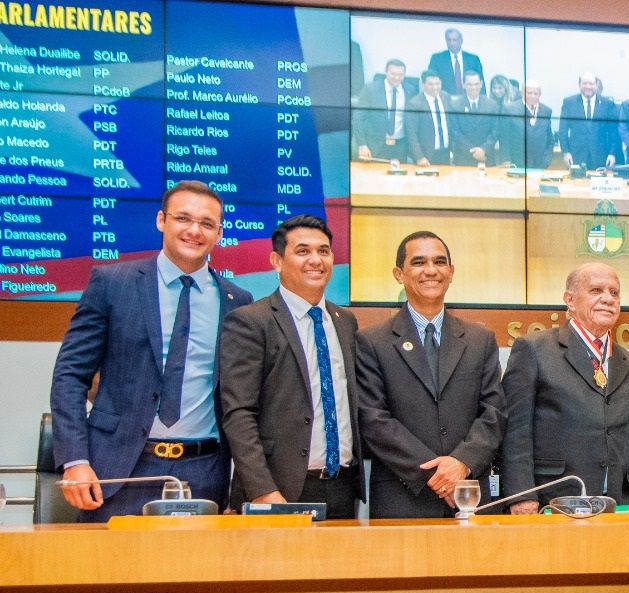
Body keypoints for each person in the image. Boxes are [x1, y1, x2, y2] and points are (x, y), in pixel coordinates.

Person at [50, 180, 253, 520]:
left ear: (219, 233)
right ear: (162, 220)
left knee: (196, 574)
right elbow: (70, 375)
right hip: (116, 471)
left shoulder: (237, 302)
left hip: (204, 472)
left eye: (206, 224)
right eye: (183, 218)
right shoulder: (112, 283)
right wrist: (75, 460)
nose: (194, 230)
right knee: (111, 572)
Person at [219, 215, 363, 518]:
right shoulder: (251, 321)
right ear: (276, 260)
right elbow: (238, 413)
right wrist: (262, 490)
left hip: (342, 487)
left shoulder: (344, 322)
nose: (316, 260)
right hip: (279, 489)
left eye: (324, 251)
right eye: (303, 251)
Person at [356, 231, 505, 518]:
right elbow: (373, 418)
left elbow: (494, 412)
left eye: (439, 262)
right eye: (419, 262)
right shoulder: (372, 342)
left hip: (470, 494)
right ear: (399, 274)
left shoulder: (480, 339)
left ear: (451, 272)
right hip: (403, 497)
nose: (431, 270)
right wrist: (438, 475)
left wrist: (461, 462)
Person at [502, 263, 629, 512]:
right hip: (553, 501)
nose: (607, 299)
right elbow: (515, 432)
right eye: (596, 290)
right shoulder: (534, 349)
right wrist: (521, 495)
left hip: (619, 507)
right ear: (569, 300)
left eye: (614, 293)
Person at [559, 72, 618, 170]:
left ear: (596, 85)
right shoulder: (569, 103)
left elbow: (613, 132)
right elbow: (563, 130)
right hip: (576, 156)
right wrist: (565, 152)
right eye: (585, 83)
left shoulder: (608, 104)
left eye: (591, 84)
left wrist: (612, 153)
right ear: (579, 85)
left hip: (601, 156)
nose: (588, 86)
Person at [354, 59, 411, 161]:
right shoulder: (370, 89)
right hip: (375, 146)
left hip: (401, 147)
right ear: (385, 72)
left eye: (400, 75)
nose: (397, 78)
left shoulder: (410, 90)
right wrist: (362, 144)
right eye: (393, 74)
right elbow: (358, 119)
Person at [451, 70, 499, 166]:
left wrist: (483, 150)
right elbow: (455, 132)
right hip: (463, 159)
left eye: (476, 84)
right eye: (470, 84)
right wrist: (473, 152)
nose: (474, 87)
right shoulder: (454, 105)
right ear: (463, 85)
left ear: (481, 84)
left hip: (486, 158)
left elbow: (495, 131)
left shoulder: (492, 105)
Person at [406, 71, 453, 166]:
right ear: (423, 84)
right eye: (431, 84)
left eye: (437, 84)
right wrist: (419, 157)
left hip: (445, 152)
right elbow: (411, 133)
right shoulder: (414, 104)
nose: (435, 87)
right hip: (426, 154)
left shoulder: (446, 97)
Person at [426, 27, 484, 98]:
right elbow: (431, 80)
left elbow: (481, 81)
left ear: (461, 41)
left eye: (454, 40)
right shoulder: (437, 58)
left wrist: (483, 100)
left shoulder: (473, 59)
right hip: (446, 99)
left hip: (469, 99)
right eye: (449, 40)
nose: (452, 43)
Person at [508, 79, 554, 169]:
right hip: (518, 162)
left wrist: (547, 158)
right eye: (529, 93)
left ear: (540, 94)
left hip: (540, 163)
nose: (532, 96)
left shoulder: (546, 110)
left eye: (536, 93)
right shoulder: (511, 109)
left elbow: (550, 139)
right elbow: (505, 138)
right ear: (522, 92)